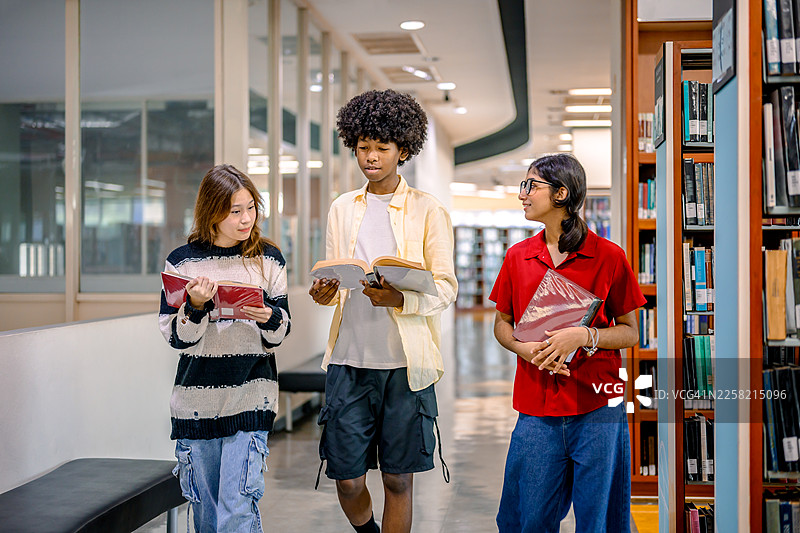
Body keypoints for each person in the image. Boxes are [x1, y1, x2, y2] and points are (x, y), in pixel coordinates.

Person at [308, 89, 457, 533]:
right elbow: (337, 279)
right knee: (348, 479)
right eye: (363, 147)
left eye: (381, 148)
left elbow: (446, 287)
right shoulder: (341, 208)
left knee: (397, 478)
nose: (370, 157)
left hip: (406, 365)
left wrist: (401, 299)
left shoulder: (428, 210)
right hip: (349, 360)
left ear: (403, 150)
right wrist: (325, 293)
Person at [490, 153, 645, 533]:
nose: (522, 194)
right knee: (529, 518)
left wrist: (585, 335)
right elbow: (501, 323)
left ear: (561, 194)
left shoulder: (608, 256)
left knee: (599, 520)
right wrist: (525, 349)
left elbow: (630, 331)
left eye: (531, 186)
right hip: (537, 405)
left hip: (597, 406)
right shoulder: (518, 257)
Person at [158, 164, 290, 533]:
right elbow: (176, 338)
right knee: (206, 516)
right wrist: (196, 306)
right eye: (235, 211)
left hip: (251, 396)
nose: (246, 218)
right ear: (211, 212)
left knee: (237, 509)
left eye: (251, 207)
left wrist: (268, 317)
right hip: (196, 403)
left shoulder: (269, 259)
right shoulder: (182, 262)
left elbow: (281, 332)